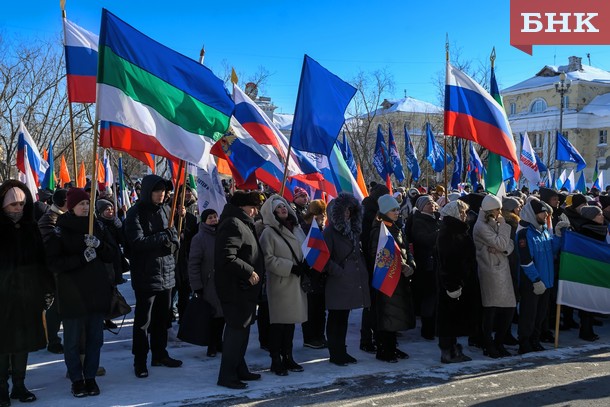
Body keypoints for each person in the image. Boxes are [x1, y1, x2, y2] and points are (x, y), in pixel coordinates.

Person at [45, 188, 115, 397]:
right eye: (81, 204)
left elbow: (113, 255)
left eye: (87, 204)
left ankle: (91, 377)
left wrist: (100, 245)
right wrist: (81, 258)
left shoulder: (98, 226)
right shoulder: (61, 230)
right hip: (72, 293)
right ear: (71, 207)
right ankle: (76, 379)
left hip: (96, 292)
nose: (85, 207)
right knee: (73, 341)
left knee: (95, 339)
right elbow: (54, 263)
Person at [124, 175, 182, 379]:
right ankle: (140, 360)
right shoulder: (135, 213)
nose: (162, 194)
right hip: (146, 274)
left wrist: (174, 240)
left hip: (167, 272)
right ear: (148, 191)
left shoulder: (167, 209)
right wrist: (164, 237)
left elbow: (172, 235)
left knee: (162, 319)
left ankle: (160, 353)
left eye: (164, 191)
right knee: (143, 322)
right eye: (157, 191)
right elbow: (136, 243)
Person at [0, 180, 53, 405]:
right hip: (3, 299)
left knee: (23, 343)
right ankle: (2, 388)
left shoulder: (31, 227)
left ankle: (19, 386)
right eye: (13, 205)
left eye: (22, 204)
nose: (18, 209)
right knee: (3, 346)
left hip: (28, 297)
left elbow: (42, 262)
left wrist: (47, 289)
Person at [215, 191, 265, 389]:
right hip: (235, 289)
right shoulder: (233, 223)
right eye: (252, 207)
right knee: (236, 333)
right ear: (242, 206)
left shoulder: (242, 222)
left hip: (244, 289)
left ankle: (239, 368)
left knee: (242, 332)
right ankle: (227, 376)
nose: (255, 211)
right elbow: (226, 256)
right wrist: (249, 272)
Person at [259, 195, 308, 376]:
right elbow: (268, 259)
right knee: (278, 324)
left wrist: (305, 264)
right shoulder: (268, 232)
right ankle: (275, 359)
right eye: (278, 208)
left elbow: (305, 248)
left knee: (290, 324)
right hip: (280, 283)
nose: (283, 209)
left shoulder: (296, 228)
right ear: (272, 212)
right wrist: (290, 267)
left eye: (284, 206)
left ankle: (288, 356)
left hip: (296, 282)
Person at [323, 192, 371, 366]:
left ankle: (341, 351)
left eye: (350, 210)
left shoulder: (354, 231)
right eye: (344, 211)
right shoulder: (329, 232)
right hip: (338, 282)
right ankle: (335, 353)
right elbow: (323, 259)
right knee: (336, 318)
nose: (348, 213)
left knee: (343, 317)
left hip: (351, 280)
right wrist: (338, 271)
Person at [368, 194, 415, 363]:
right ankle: (384, 349)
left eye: (397, 209)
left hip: (399, 278)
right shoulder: (379, 231)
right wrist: (402, 265)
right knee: (386, 315)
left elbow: (405, 249)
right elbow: (380, 256)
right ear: (385, 211)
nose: (397, 212)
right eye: (394, 210)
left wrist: (411, 263)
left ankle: (392, 346)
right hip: (387, 279)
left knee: (394, 315)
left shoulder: (395, 227)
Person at [473, 195, 516, 358]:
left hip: (500, 269)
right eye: (498, 209)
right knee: (491, 309)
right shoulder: (481, 226)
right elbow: (502, 243)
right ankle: (489, 344)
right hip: (490, 271)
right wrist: (503, 231)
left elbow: (508, 245)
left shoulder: (493, 223)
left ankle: (499, 342)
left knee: (508, 307)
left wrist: (501, 248)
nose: (500, 212)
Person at [516, 198, 560, 354]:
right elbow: (526, 260)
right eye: (542, 212)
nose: (545, 215)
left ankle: (535, 339)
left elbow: (552, 251)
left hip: (546, 280)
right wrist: (535, 280)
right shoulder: (524, 233)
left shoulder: (543, 231)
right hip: (533, 282)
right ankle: (525, 342)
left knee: (540, 314)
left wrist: (558, 236)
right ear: (533, 214)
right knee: (529, 314)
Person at [435, 200, 476, 363]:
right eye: (462, 212)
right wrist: (452, 285)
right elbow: (447, 262)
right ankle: (447, 351)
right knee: (448, 318)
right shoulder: (448, 233)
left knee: (454, 318)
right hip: (451, 284)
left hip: (459, 281)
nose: (465, 215)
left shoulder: (458, 230)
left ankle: (453, 348)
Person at [188, 209, 224, 357]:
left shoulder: (223, 234)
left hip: (223, 281)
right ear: (204, 221)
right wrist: (197, 286)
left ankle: (219, 341)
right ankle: (211, 344)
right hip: (208, 282)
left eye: (215, 216)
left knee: (222, 315)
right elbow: (193, 264)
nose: (214, 219)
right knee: (212, 316)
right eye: (210, 217)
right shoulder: (199, 238)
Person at [359, 184, 390, 353]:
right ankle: (367, 338)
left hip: (375, 261)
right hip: (372, 262)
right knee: (371, 303)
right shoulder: (371, 215)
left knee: (376, 303)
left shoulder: (370, 211)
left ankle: (375, 336)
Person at [38, 188, 68, 354]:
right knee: (54, 307)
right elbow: (49, 246)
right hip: (52, 271)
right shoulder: (50, 219)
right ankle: (52, 340)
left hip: (62, 269)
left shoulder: (62, 217)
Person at [409, 195, 441, 340]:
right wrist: (439, 233)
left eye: (433, 202)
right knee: (429, 297)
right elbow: (423, 239)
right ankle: (427, 329)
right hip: (426, 265)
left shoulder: (436, 218)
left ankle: (435, 326)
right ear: (421, 207)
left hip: (436, 263)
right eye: (428, 203)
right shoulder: (419, 221)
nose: (432, 205)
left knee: (435, 297)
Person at [301, 200, 328, 349]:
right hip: (309, 274)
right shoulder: (305, 228)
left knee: (320, 309)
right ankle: (310, 337)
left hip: (321, 274)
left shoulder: (321, 228)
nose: (323, 216)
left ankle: (320, 336)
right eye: (320, 213)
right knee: (311, 309)